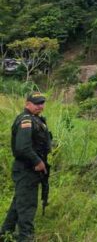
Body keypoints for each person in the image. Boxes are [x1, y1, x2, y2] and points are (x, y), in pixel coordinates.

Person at [0, 92, 52, 242]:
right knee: (27, 205)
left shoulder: (36, 120)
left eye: (42, 103)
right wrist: (38, 162)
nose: (40, 106)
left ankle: (5, 233)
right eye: (37, 103)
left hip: (30, 168)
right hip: (27, 169)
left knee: (19, 202)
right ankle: (26, 237)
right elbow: (23, 147)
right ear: (27, 103)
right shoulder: (26, 120)